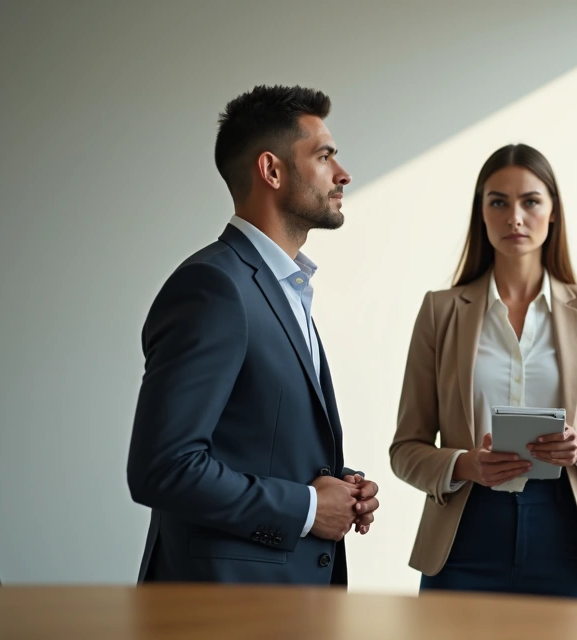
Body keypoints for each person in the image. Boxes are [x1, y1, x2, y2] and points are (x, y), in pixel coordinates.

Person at [126, 85, 379, 585]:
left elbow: (258, 438)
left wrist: (338, 488)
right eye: (325, 156)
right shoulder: (213, 287)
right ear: (271, 170)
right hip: (225, 608)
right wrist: (306, 508)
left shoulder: (286, 286)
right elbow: (164, 467)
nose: (343, 174)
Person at [390, 144, 577, 601]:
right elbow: (405, 448)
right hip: (464, 539)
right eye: (498, 202)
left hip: (570, 540)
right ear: (481, 214)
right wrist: (464, 463)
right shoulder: (440, 312)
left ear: (552, 212)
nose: (514, 217)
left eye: (530, 201)